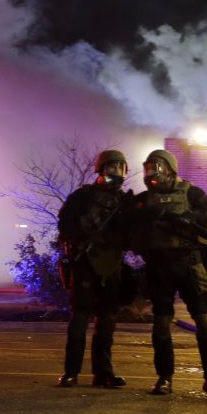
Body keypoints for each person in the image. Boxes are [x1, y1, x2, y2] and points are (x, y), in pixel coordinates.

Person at [129, 149, 207, 399]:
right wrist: (146, 218)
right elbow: (128, 226)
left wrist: (184, 218)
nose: (151, 174)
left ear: (169, 170)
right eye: (148, 168)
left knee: (205, 322)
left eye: (156, 168)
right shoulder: (143, 200)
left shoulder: (192, 193)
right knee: (161, 324)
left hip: (190, 265)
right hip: (159, 267)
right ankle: (164, 377)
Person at [56, 150, 131, 389]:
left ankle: (104, 373)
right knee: (80, 319)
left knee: (107, 322)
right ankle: (71, 372)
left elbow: (134, 233)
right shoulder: (82, 197)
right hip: (85, 264)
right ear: (100, 170)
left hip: (111, 265)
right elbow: (65, 225)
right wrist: (82, 239)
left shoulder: (125, 202)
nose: (115, 173)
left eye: (120, 168)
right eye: (111, 168)